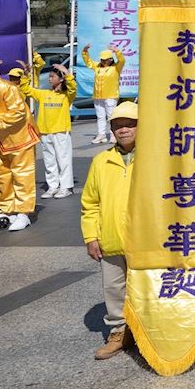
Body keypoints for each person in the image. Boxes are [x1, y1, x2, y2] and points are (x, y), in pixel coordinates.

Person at [80, 101, 137, 358]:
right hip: (111, 239)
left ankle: (147, 335)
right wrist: (91, 236)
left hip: (144, 240)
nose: (123, 130)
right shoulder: (101, 161)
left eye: (129, 124)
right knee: (113, 289)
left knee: (146, 289)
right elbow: (90, 202)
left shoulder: (155, 159)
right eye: (117, 126)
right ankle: (118, 332)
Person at [18, 57, 76, 198]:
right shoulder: (44, 94)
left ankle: (66, 187)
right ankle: (53, 186)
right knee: (49, 161)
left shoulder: (66, 95)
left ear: (60, 80)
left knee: (63, 160)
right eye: (49, 76)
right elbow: (26, 89)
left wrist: (66, 72)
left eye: (52, 76)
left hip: (61, 132)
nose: (49, 79)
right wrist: (26, 75)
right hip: (45, 132)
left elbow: (73, 87)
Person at [0, 73, 39, 231]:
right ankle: (7, 209)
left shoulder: (7, 87)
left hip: (20, 139)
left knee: (22, 175)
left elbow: (18, 112)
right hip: (1, 142)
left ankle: (23, 212)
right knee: (2, 176)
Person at [80, 45, 124, 144]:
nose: (103, 61)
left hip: (111, 96)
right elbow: (88, 62)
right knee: (100, 117)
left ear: (110, 59)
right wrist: (85, 51)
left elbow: (122, 60)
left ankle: (113, 135)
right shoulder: (97, 67)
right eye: (102, 60)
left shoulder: (116, 67)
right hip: (98, 96)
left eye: (105, 60)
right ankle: (101, 135)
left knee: (111, 116)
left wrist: (117, 51)